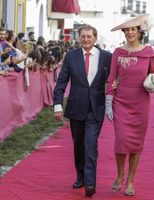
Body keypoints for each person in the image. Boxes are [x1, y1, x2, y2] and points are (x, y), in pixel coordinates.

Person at [53, 24, 112, 197]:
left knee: (91, 144)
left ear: (95, 38)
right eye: (83, 36)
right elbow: (61, 82)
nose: (86, 39)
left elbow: (114, 78)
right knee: (79, 145)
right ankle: (80, 175)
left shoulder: (106, 57)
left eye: (89, 36)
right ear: (79, 38)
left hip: (96, 109)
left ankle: (90, 182)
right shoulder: (71, 56)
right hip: (76, 107)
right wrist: (57, 105)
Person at [105, 14, 154, 196]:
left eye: (133, 29)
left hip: (140, 103)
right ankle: (120, 176)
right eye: (127, 30)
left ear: (139, 32)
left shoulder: (148, 52)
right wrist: (108, 101)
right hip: (121, 102)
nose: (129, 32)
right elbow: (111, 78)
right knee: (121, 142)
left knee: (136, 144)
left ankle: (130, 181)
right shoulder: (118, 53)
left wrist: (153, 80)